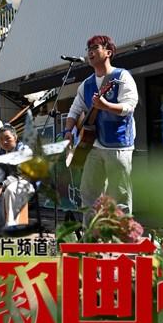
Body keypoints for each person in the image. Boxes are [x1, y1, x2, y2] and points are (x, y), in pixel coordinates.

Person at [63, 35, 139, 224]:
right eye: (88, 49)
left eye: (95, 48)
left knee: (119, 194)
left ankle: (121, 235)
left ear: (108, 52)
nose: (90, 52)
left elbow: (129, 106)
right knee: (89, 192)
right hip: (93, 145)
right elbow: (75, 109)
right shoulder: (86, 84)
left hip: (118, 144)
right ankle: (92, 234)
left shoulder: (122, 76)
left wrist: (106, 106)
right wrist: (68, 131)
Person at [0, 125, 35, 233]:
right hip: (10, 182)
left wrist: (2, 185)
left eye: (8, 138)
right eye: (1, 139)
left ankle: (11, 225)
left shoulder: (24, 150)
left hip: (26, 182)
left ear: (15, 138)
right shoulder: (1, 152)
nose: (4, 142)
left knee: (10, 190)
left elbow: (20, 174)